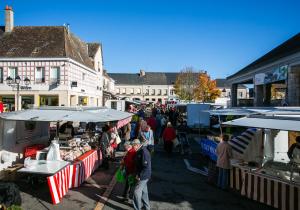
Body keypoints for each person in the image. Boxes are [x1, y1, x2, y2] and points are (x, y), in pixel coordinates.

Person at [132, 139, 151, 210]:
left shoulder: (143, 152)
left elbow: (146, 166)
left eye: (133, 146)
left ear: (136, 145)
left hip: (143, 176)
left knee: (136, 193)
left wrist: (140, 176)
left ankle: (137, 208)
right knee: (144, 192)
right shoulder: (139, 151)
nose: (133, 148)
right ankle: (147, 207)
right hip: (143, 175)